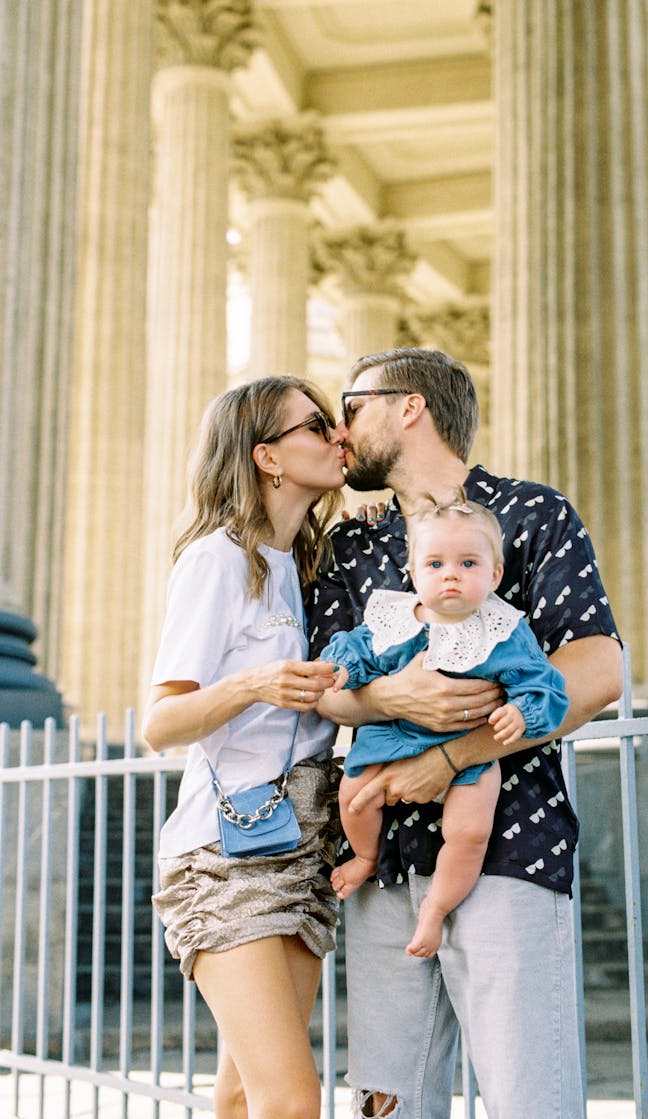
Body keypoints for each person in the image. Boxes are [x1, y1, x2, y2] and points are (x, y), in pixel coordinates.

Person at [308, 348, 623, 1119]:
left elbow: (596, 669)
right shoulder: (353, 545)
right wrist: (393, 695)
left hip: (509, 843)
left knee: (530, 1099)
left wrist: (453, 752)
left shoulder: (534, 514)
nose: (340, 431)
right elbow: (326, 691)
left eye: (351, 406)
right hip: (379, 860)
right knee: (388, 1100)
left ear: (408, 406)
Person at [143, 377, 347, 1119]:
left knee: (241, 1095)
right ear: (267, 456)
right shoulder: (217, 559)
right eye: (317, 424)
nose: (337, 435)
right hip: (226, 854)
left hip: (304, 845)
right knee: (292, 1100)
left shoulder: (311, 567)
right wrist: (255, 683)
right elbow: (161, 723)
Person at [319, 492, 569, 959]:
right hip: (394, 739)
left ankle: (435, 910)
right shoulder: (395, 620)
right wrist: (344, 670)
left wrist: (522, 712)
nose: (450, 573)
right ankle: (366, 856)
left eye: (468, 563)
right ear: (413, 573)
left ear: (494, 575)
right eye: (434, 564)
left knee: (470, 831)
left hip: (467, 748)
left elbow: (544, 685)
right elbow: (357, 652)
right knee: (353, 797)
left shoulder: (503, 632)